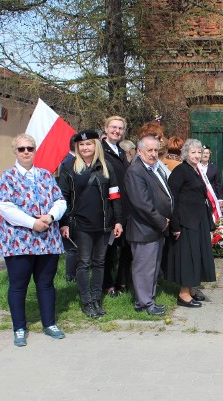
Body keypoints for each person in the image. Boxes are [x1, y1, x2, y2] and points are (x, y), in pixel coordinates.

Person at [0, 133, 67, 346]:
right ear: (15, 152)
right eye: (21, 149)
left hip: (47, 240)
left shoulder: (46, 175)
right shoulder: (8, 177)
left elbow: (60, 200)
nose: (26, 152)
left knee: (45, 284)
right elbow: (4, 206)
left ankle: (50, 323)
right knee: (18, 285)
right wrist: (31, 223)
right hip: (19, 241)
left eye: (30, 148)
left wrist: (50, 216)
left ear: (35, 150)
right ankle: (19, 327)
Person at [58, 130, 123, 318]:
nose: (85, 148)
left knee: (100, 262)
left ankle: (96, 300)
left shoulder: (106, 166)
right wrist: (64, 223)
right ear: (77, 147)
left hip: (103, 224)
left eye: (89, 144)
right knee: (84, 263)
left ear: (96, 145)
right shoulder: (69, 167)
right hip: (80, 224)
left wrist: (118, 220)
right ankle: (86, 301)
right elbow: (63, 197)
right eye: (81, 145)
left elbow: (115, 196)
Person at [124, 135, 173, 316]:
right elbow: (142, 203)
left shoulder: (153, 169)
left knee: (152, 266)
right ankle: (144, 303)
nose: (153, 154)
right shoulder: (136, 171)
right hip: (144, 228)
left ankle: (148, 299)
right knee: (144, 268)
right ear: (139, 151)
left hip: (155, 228)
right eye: (149, 151)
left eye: (156, 150)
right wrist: (161, 221)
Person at [166, 138, 217, 308]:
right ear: (185, 154)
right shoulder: (181, 171)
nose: (196, 155)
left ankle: (191, 289)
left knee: (197, 256)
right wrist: (175, 225)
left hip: (198, 220)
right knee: (188, 259)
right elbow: (172, 199)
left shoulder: (196, 171)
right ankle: (183, 294)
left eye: (199, 152)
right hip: (185, 222)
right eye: (192, 152)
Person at [101, 116, 132, 298]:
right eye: (113, 127)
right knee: (109, 249)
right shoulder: (101, 151)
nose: (117, 131)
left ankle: (122, 281)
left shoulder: (120, 151)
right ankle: (108, 284)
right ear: (106, 128)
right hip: (110, 207)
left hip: (125, 206)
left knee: (126, 246)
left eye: (120, 128)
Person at [56, 134, 78, 283]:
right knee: (72, 247)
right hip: (69, 211)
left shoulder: (69, 160)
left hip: (70, 210)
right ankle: (70, 276)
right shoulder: (69, 162)